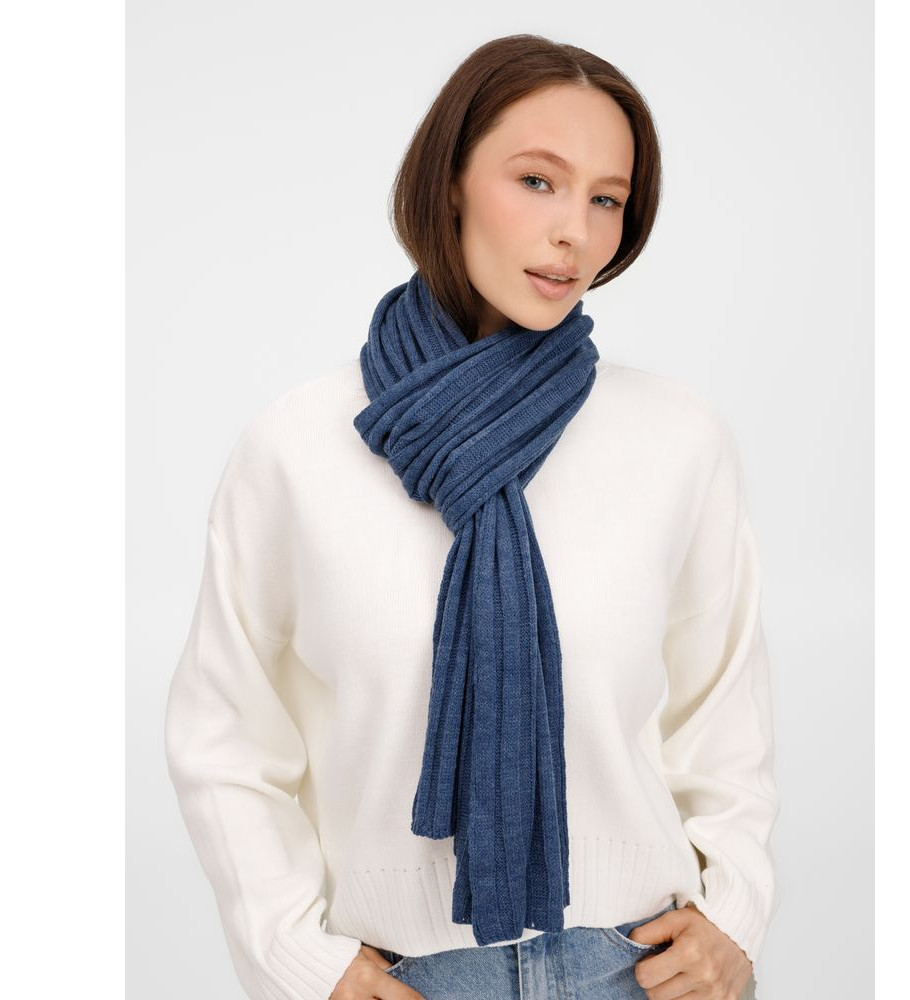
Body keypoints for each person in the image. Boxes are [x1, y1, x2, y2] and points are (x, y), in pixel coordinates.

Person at [164, 33, 779, 1000]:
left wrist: (734, 911)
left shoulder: (676, 438)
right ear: (449, 182)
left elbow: (723, 708)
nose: (574, 231)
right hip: (404, 977)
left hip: (639, 967)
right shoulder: (299, 446)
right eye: (538, 181)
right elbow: (226, 735)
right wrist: (299, 960)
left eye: (606, 199)